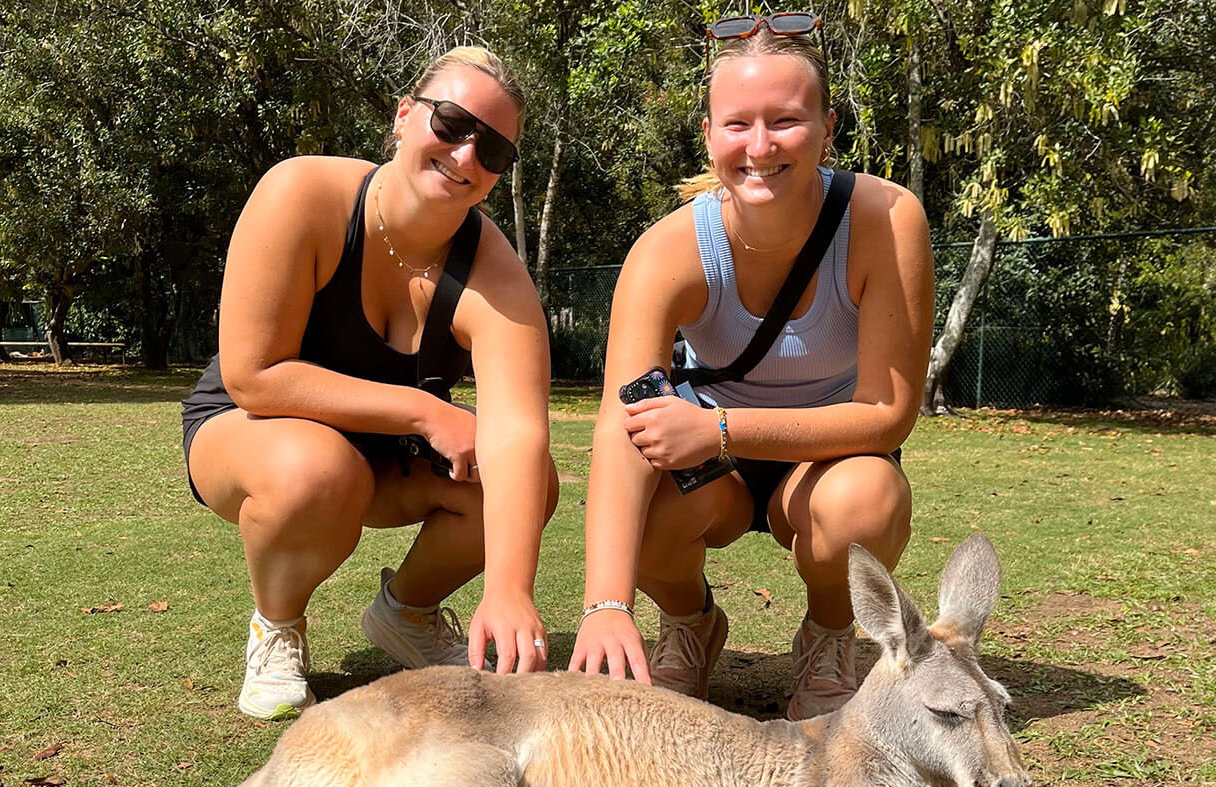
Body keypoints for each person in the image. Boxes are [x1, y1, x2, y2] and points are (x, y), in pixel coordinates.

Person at [568, 15, 935, 720]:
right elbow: (623, 422)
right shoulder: (667, 251)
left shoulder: (887, 220)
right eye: (737, 124)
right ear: (708, 133)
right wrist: (605, 604)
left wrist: (722, 429)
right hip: (714, 471)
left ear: (827, 128)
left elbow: (888, 413)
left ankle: (829, 634)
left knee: (867, 501)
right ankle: (689, 622)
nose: (759, 146)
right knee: (640, 510)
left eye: (786, 121)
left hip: (831, 453)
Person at [180, 46, 558, 720]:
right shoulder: (302, 194)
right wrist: (420, 409)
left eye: (494, 150)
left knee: (527, 481)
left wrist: (509, 586)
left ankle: (406, 613)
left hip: (386, 455)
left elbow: (521, 434)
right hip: (253, 429)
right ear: (405, 117)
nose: (467, 156)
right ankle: (277, 625)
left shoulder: (495, 275)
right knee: (316, 470)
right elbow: (252, 376)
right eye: (450, 124)